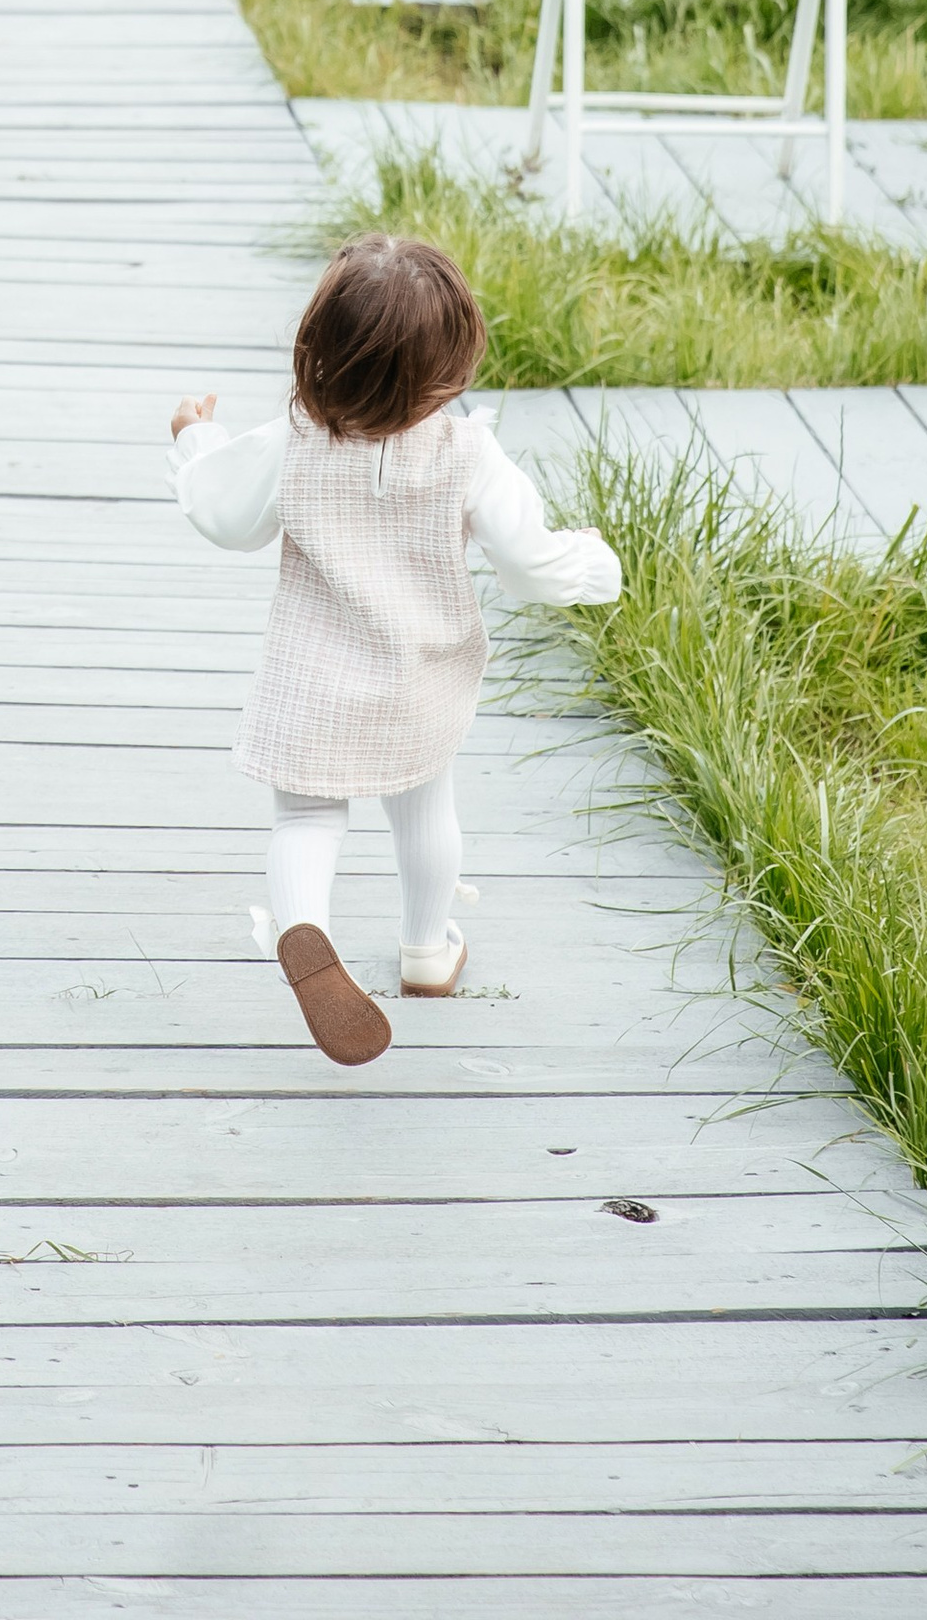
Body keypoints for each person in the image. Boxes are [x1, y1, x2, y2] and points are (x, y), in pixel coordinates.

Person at [170, 231, 620, 1067]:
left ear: (316, 354)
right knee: (425, 807)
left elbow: (226, 517)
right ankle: (425, 950)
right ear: (450, 369)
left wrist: (196, 439)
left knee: (307, 817)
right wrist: (594, 566)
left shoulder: (296, 438)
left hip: (311, 676)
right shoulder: (467, 453)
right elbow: (528, 563)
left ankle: (305, 926)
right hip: (419, 676)